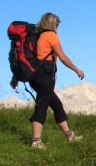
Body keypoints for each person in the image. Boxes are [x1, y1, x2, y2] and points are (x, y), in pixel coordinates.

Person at [10, 12, 85, 149]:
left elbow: (27, 58)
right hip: (45, 76)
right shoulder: (50, 35)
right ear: (52, 23)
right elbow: (62, 57)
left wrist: (15, 77)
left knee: (56, 105)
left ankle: (70, 136)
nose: (57, 27)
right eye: (57, 24)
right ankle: (36, 141)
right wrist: (77, 70)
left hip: (34, 77)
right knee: (41, 107)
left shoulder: (34, 36)